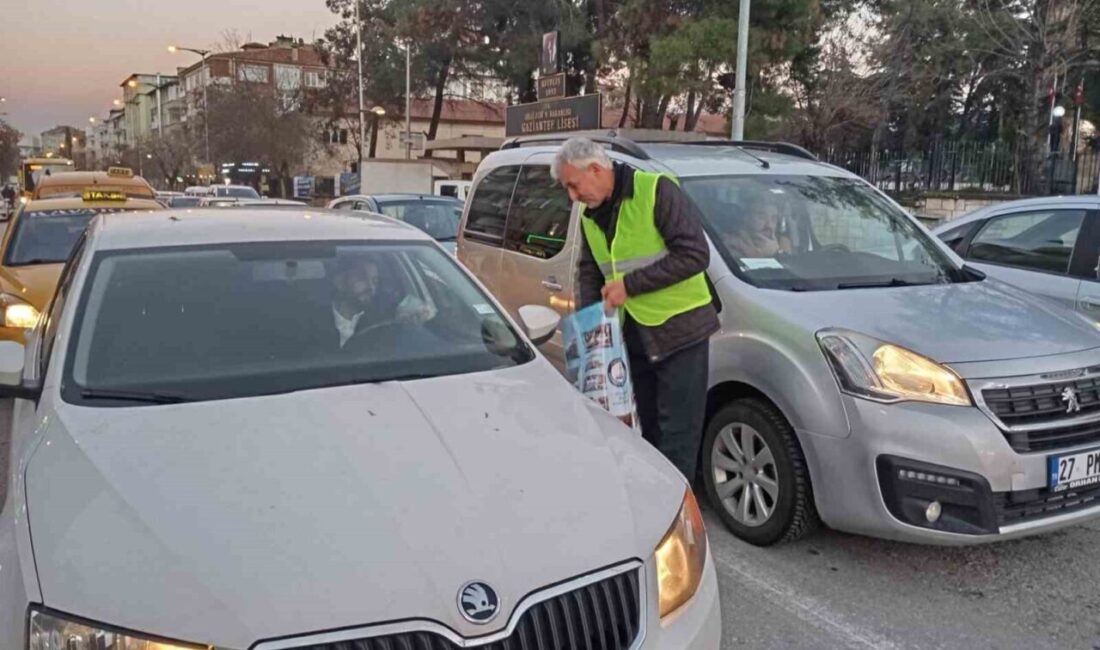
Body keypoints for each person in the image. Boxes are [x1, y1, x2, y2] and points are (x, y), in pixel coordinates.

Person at [552, 137, 719, 481]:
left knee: (678, 437)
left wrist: (630, 286)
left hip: (679, 334)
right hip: (634, 338)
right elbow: (590, 269)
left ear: (596, 169)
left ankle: (678, 520)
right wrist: (591, 323)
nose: (572, 196)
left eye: (573, 185)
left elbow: (695, 255)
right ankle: (653, 503)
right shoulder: (589, 214)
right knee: (646, 434)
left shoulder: (656, 191)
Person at [328, 255, 436, 350]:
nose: (371, 287)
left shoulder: (383, 317)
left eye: (375, 281)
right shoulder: (314, 319)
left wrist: (421, 314)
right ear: (340, 282)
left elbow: (414, 309)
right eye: (362, 279)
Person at [724, 197, 791, 258]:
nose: (769, 225)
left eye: (773, 218)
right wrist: (759, 256)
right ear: (746, 218)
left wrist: (778, 252)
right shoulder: (732, 243)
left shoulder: (782, 243)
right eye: (762, 217)